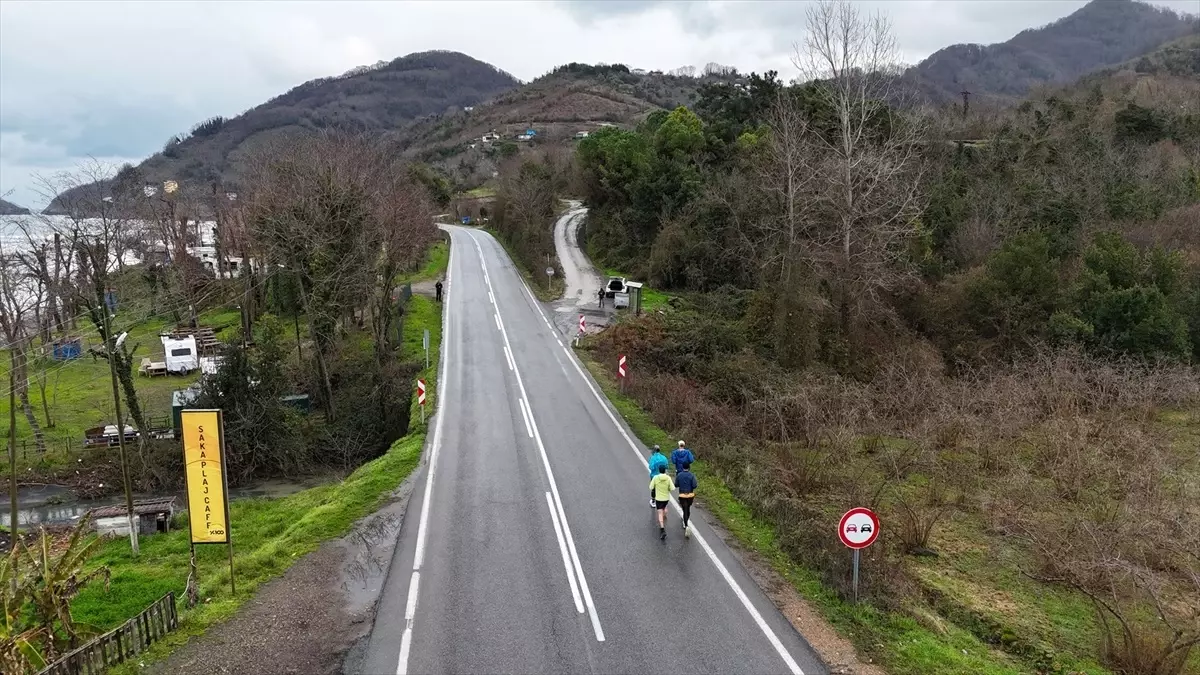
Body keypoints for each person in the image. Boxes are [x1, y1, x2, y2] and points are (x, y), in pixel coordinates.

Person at [649, 465, 675, 541]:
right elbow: (672, 488)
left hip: (659, 498)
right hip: (666, 498)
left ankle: (662, 529)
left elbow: (651, 487)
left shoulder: (656, 478)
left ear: (659, 470)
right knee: (664, 508)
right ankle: (665, 515)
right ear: (665, 470)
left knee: (659, 513)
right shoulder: (668, 478)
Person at [676, 462, 697, 538]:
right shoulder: (692, 475)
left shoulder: (679, 475)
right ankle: (686, 522)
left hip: (682, 495)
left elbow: (676, 484)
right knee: (687, 509)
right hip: (690, 495)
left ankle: (686, 525)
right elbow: (694, 485)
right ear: (689, 467)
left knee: (684, 509)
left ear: (683, 467)